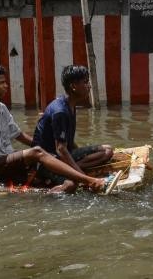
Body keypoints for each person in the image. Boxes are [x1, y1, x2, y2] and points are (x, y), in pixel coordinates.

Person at [0, 63, 116, 194]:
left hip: (7, 161)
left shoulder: (2, 108)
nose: (6, 86)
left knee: (71, 184)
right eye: (1, 83)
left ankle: (44, 197)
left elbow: (19, 135)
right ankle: (92, 181)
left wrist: (46, 154)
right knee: (37, 152)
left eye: (5, 82)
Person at [32, 65, 115, 193]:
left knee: (107, 150)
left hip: (62, 154)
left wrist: (79, 160)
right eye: (85, 82)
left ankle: (72, 169)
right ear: (73, 86)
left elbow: (66, 141)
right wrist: (85, 177)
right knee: (71, 185)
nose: (89, 86)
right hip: (48, 161)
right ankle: (53, 187)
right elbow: (61, 149)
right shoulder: (60, 111)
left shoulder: (70, 104)